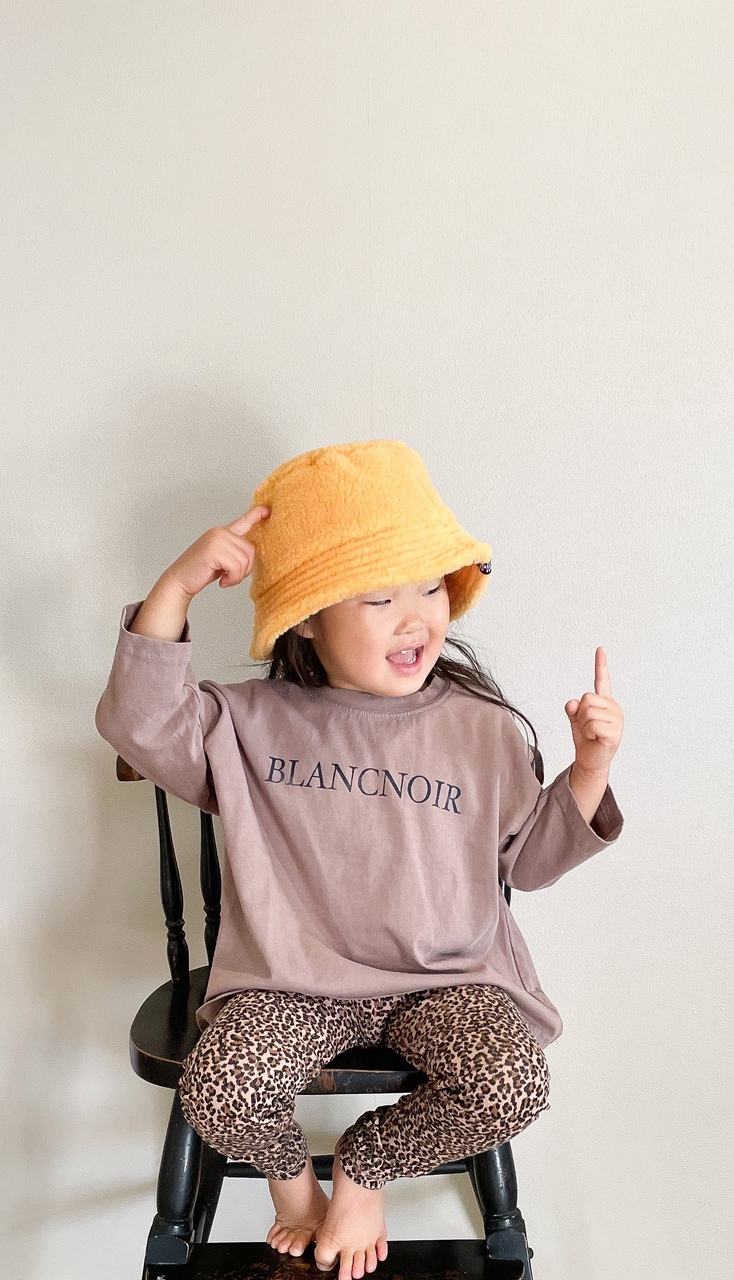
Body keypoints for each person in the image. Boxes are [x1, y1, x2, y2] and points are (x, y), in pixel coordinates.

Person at [95, 439, 625, 1280]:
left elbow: (527, 863)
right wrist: (176, 587)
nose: (416, 617)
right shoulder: (250, 723)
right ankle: (296, 1189)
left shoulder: (481, 729)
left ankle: (364, 1168)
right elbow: (140, 722)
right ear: (307, 617)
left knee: (512, 1083)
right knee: (218, 1087)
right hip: (291, 984)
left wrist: (588, 771)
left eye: (431, 588)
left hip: (446, 981)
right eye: (379, 597)